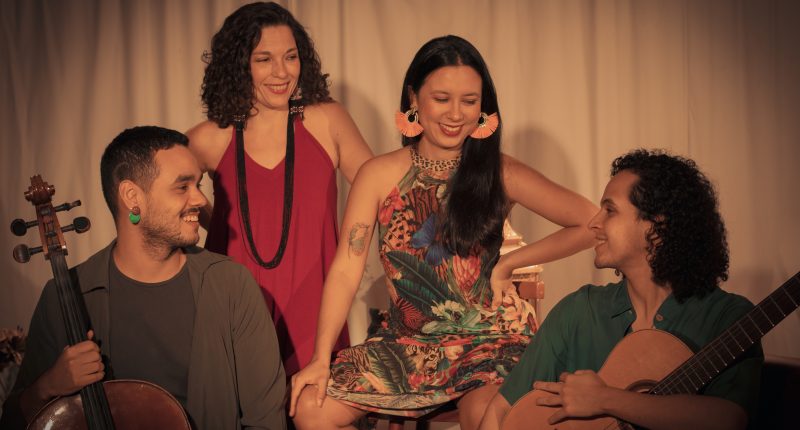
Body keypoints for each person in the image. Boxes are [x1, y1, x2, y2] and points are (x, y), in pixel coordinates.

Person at [289, 35, 598, 430]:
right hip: (408, 346)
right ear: (413, 98)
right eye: (441, 99)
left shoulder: (499, 172)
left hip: (490, 342)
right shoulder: (378, 175)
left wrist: (511, 262)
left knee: (485, 416)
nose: (455, 114)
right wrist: (320, 358)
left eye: (469, 101)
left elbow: (590, 223)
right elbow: (346, 269)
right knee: (310, 409)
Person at [0, 126, 286, 429]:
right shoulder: (66, 295)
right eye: (182, 187)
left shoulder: (232, 285)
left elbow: (266, 421)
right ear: (132, 196)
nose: (200, 200)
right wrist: (47, 387)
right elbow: (12, 422)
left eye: (198, 185)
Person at [478, 149, 764, 430]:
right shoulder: (578, 311)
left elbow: (728, 419)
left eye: (610, 210)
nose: (594, 223)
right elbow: (500, 411)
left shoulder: (727, 317)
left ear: (657, 226)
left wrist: (605, 399)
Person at [186, 1, 373, 378]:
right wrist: (219, 222)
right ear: (239, 65)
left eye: (290, 57)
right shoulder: (210, 138)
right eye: (264, 59)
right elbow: (157, 195)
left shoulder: (327, 120)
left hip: (316, 312)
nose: (282, 72)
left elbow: (385, 195)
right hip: (235, 311)